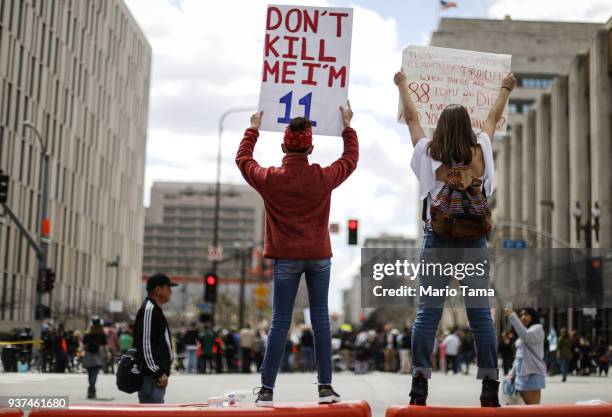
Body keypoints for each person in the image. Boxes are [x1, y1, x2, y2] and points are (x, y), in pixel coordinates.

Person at [395, 67, 515, 407]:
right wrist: (505, 89)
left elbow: (411, 117)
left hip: (438, 241)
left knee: (427, 314)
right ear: (467, 128)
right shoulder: (481, 152)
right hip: (474, 243)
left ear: (442, 129)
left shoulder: (428, 154)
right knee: (479, 314)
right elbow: (493, 116)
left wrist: (403, 84)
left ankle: (419, 382)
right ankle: (489, 384)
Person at [236, 104, 358, 407]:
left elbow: (243, 160)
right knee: (320, 321)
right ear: (311, 148)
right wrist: (347, 127)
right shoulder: (322, 177)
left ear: (282, 145)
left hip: (286, 258)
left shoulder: (271, 179)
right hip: (318, 256)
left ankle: (266, 390)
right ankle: (326, 388)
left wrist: (253, 129)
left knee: (280, 322)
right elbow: (350, 159)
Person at [134, 273, 178, 404]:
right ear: (158, 290)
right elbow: (145, 345)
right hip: (151, 377)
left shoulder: (155, 310)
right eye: (168, 287)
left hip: (155, 378)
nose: (171, 291)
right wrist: (158, 372)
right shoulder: (149, 309)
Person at [505, 308, 546, 405]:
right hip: (521, 375)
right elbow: (519, 356)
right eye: (521, 315)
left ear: (533, 316)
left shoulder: (537, 328)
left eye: (526, 314)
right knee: (524, 409)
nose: (523, 317)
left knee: (533, 409)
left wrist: (513, 316)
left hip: (532, 374)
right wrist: (512, 373)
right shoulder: (526, 331)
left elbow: (526, 336)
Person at [82, 318, 107, 399]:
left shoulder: (87, 334)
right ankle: (92, 388)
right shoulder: (102, 334)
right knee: (94, 373)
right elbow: (104, 345)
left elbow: (84, 344)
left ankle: (91, 388)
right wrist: (106, 355)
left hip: (88, 355)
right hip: (98, 355)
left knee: (90, 373)